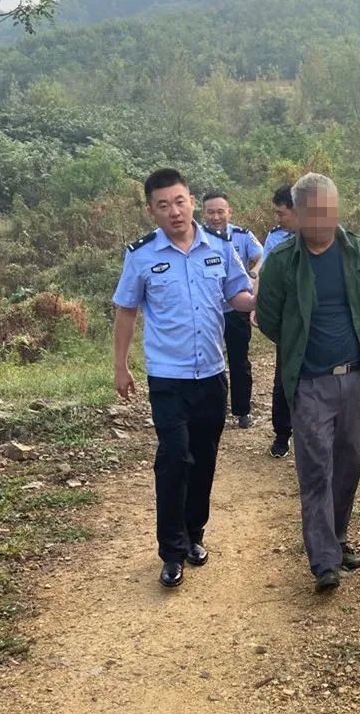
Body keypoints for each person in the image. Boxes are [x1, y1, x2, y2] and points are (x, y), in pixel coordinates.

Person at [112, 168, 255, 590]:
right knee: (175, 459)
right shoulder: (141, 255)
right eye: (163, 205)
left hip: (211, 374)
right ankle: (171, 552)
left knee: (205, 459)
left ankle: (194, 534)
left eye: (179, 201)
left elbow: (238, 295)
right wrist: (120, 365)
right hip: (168, 378)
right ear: (151, 211)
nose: (174, 211)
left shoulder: (220, 247)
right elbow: (126, 311)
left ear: (191, 201)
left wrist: (263, 298)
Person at [256, 173, 360, 593]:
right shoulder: (282, 261)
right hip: (310, 383)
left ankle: (338, 537)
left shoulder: (356, 250)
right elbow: (269, 319)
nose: (325, 221)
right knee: (316, 469)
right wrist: (302, 347)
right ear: (297, 214)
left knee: (349, 465)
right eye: (315, 213)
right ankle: (324, 561)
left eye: (331, 211)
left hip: (355, 378)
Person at [202, 190, 264, 429]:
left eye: (220, 212)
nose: (216, 217)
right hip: (209, 312)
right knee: (208, 361)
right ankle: (211, 410)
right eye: (211, 212)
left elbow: (261, 255)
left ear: (230, 212)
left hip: (236, 310)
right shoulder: (197, 239)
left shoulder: (242, 235)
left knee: (239, 360)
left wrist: (253, 273)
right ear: (203, 213)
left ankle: (242, 410)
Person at [260, 184, 298, 458]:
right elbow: (266, 275)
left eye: (281, 213)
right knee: (284, 379)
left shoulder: (328, 236)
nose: (278, 218)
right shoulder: (275, 239)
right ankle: (282, 433)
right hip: (289, 321)